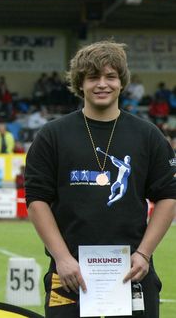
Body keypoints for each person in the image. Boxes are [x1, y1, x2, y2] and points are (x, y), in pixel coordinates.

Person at [24, 40, 176, 318]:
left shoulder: (148, 135)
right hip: (69, 272)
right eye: (93, 77)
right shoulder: (52, 135)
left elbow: (168, 195)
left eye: (110, 77)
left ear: (122, 82)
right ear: (80, 83)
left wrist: (144, 253)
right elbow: (36, 201)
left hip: (132, 271)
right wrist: (62, 258)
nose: (102, 84)